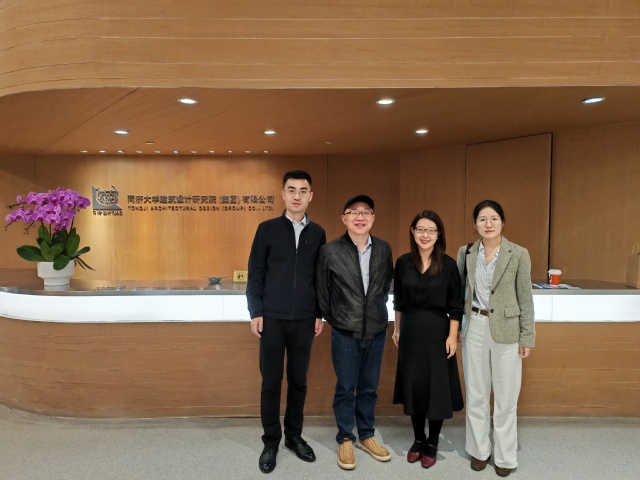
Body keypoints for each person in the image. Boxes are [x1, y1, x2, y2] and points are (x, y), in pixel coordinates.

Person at [247, 170, 326, 474]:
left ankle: (294, 436)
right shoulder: (266, 229)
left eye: (303, 191)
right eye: (291, 190)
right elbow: (255, 272)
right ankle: (271, 442)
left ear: (310, 196)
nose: (297, 196)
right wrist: (255, 311)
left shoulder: (318, 233)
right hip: (272, 319)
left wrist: (318, 313)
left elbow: (319, 278)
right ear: (283, 194)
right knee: (271, 382)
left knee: (298, 381)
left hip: (304, 319)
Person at [456, 200, 535, 478]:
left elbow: (525, 297)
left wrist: (527, 337)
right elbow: (460, 293)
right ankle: (479, 451)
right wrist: (456, 329)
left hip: (507, 329)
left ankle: (505, 456)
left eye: (493, 219)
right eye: (482, 219)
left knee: (506, 397)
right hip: (474, 326)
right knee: (476, 392)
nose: (488, 224)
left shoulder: (519, 253)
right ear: (475, 224)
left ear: (502, 222)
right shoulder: (466, 252)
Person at [316, 194, 394, 471]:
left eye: (366, 212)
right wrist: (337, 318)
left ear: (373, 218)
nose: (360, 217)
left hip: (376, 330)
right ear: (344, 218)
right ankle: (345, 437)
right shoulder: (330, 251)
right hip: (344, 332)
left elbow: (384, 286)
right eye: (354, 212)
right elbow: (322, 291)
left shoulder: (384, 249)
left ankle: (366, 435)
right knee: (346, 388)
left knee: (369, 388)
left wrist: (374, 313)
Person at [392, 210, 464, 469]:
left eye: (431, 230)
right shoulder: (403, 262)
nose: (425, 235)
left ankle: (432, 441)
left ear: (438, 234)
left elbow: (455, 305)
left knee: (436, 386)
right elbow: (398, 300)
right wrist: (397, 329)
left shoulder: (448, 264)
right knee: (415, 385)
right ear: (413, 232)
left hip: (437, 331)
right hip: (410, 330)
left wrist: (452, 336)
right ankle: (418, 438)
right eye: (420, 229)